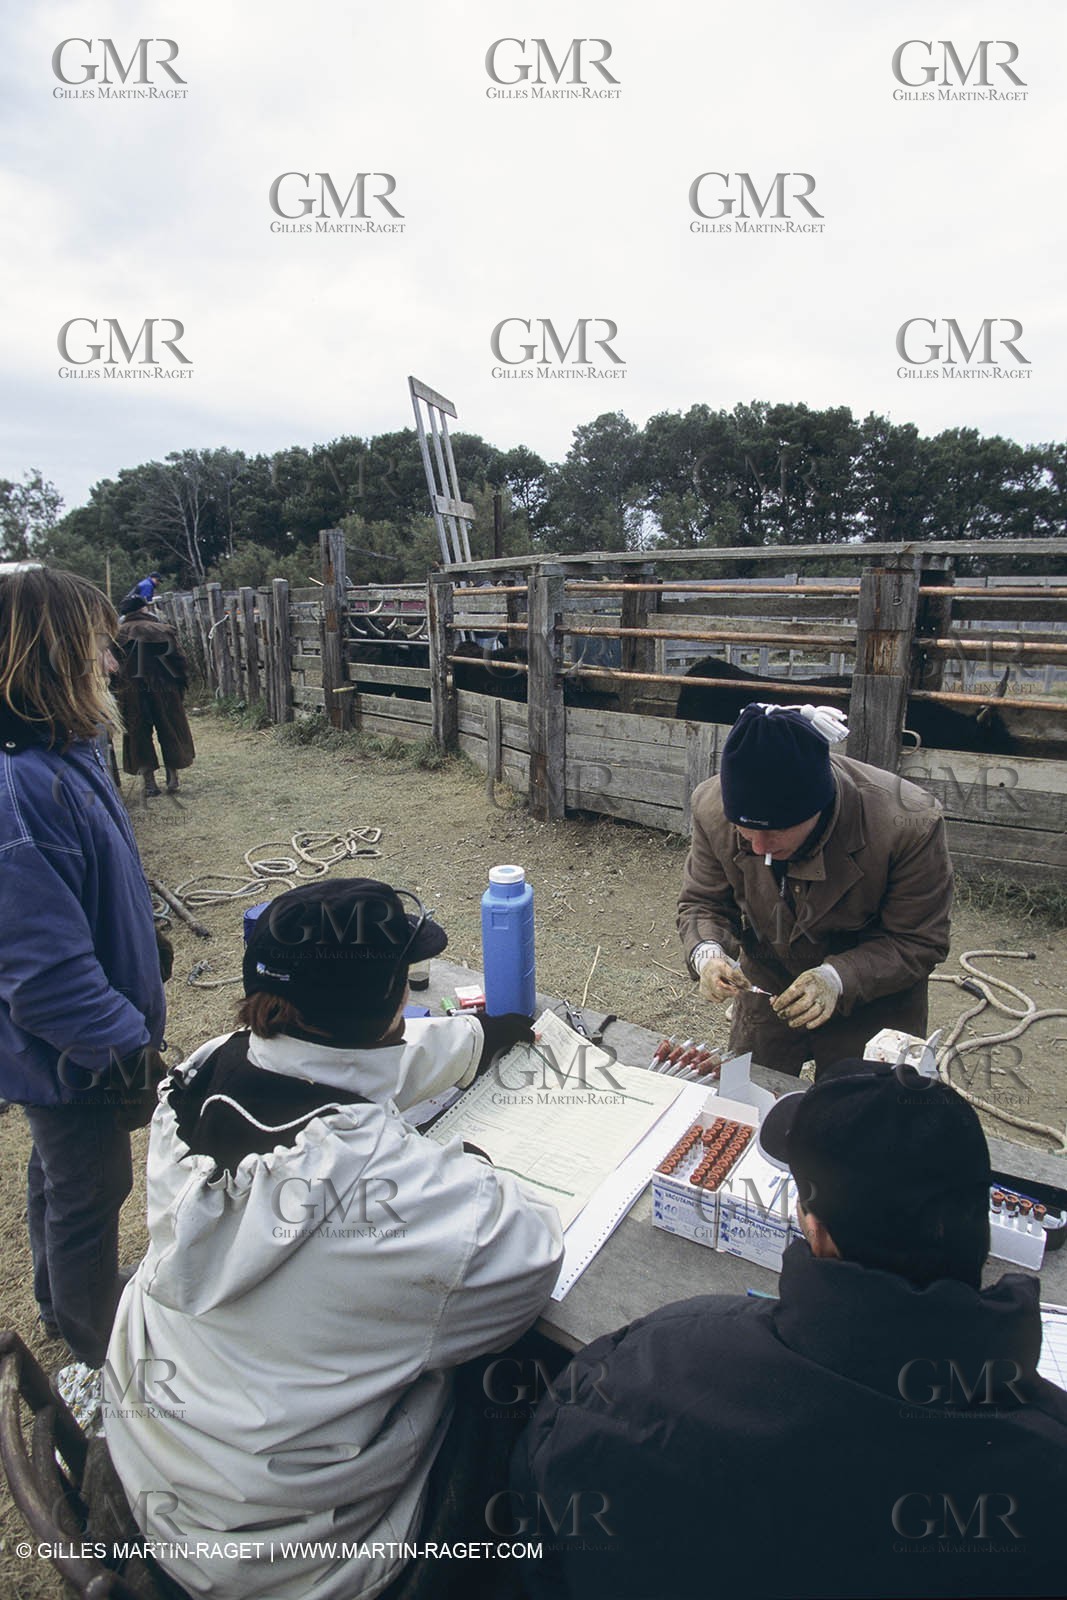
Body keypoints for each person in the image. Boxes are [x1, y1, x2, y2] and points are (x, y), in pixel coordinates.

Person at [105, 878, 564, 1600]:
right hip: (295, 1556)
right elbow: (530, 1258)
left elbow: (357, 1066)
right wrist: (470, 1168)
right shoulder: (391, 1196)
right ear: (390, 1002)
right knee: (519, 1389)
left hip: (166, 1472)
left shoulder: (209, 1070)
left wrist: (482, 1035)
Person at [513, 1060, 1067, 1599]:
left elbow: (537, 1538)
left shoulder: (642, 1368)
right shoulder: (1046, 1465)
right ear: (982, 1229)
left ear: (818, 1234)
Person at [0, 566, 166, 1367]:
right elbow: (39, 966)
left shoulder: (66, 754)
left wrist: (144, 937)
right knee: (93, 1186)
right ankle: (99, 1337)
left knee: (59, 1169)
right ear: (50, 656)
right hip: (73, 1046)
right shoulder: (20, 787)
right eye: (97, 648)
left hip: (71, 1047)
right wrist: (120, 1047)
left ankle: (58, 1296)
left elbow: (91, 887)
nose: (111, 665)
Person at [677, 702, 953, 1076]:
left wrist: (837, 978)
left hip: (874, 1000)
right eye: (746, 830)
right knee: (749, 1099)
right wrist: (707, 954)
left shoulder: (908, 824)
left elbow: (918, 940)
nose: (758, 847)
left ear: (818, 806)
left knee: (858, 1119)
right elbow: (702, 903)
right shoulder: (713, 808)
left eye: (775, 831)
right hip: (769, 986)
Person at [113, 593, 195, 796]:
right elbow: (179, 661)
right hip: (164, 688)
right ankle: (173, 777)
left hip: (131, 691)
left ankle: (150, 783)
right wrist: (181, 685)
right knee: (171, 729)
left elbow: (112, 668)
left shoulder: (115, 636)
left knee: (137, 734)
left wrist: (115, 693)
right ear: (143, 609)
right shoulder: (163, 630)